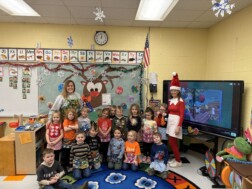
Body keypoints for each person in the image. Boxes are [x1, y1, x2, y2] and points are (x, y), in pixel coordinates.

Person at [166, 72, 185, 168]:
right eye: (172, 90)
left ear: (178, 91)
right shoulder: (170, 101)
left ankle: (178, 161)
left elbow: (182, 115)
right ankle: (176, 158)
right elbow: (169, 111)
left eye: (175, 91)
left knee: (173, 143)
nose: (173, 92)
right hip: (170, 122)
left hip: (176, 124)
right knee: (171, 142)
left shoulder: (181, 101)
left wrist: (178, 126)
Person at [62, 108, 79, 173]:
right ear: (67, 115)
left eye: (72, 115)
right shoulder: (66, 120)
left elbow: (77, 127)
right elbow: (65, 129)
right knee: (65, 154)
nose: (71, 116)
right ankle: (63, 166)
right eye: (70, 114)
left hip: (73, 140)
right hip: (66, 140)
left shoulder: (75, 120)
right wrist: (73, 126)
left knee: (71, 153)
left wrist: (69, 126)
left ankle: (69, 166)